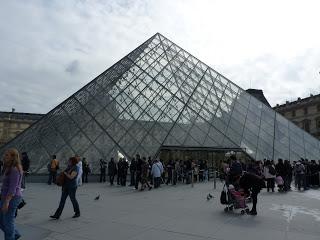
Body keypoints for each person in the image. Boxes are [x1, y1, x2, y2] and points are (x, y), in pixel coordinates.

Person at [0, 148, 23, 240]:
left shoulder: (15, 169)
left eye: (7, 155)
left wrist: (7, 202)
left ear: (13, 157)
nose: (4, 156)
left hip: (11, 198)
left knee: (8, 222)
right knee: (2, 220)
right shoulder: (8, 167)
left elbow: (13, 188)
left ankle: (11, 237)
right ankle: (15, 234)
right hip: (4, 197)